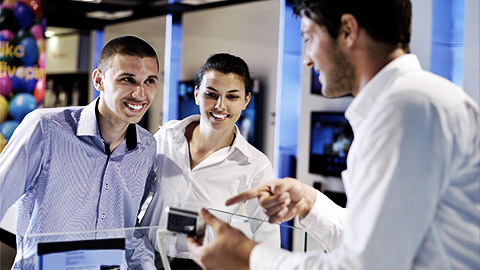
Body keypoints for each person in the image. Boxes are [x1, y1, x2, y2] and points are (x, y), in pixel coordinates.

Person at [186, 0, 480, 269]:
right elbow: (373, 242)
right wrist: (311, 203)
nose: (306, 59)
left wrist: (247, 255)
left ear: (348, 31)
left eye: (307, 38)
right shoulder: (405, 104)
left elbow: (363, 266)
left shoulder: (409, 108)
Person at [0, 35, 159, 269]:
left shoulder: (146, 147)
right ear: (99, 80)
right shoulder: (45, 128)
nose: (140, 93)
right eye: (128, 79)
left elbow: (129, 230)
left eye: (150, 81)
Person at [140, 53, 280, 269]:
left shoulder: (255, 164)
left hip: (202, 263)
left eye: (232, 97)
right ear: (197, 94)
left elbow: (266, 235)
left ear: (246, 100)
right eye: (211, 94)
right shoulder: (167, 137)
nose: (220, 106)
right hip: (146, 257)